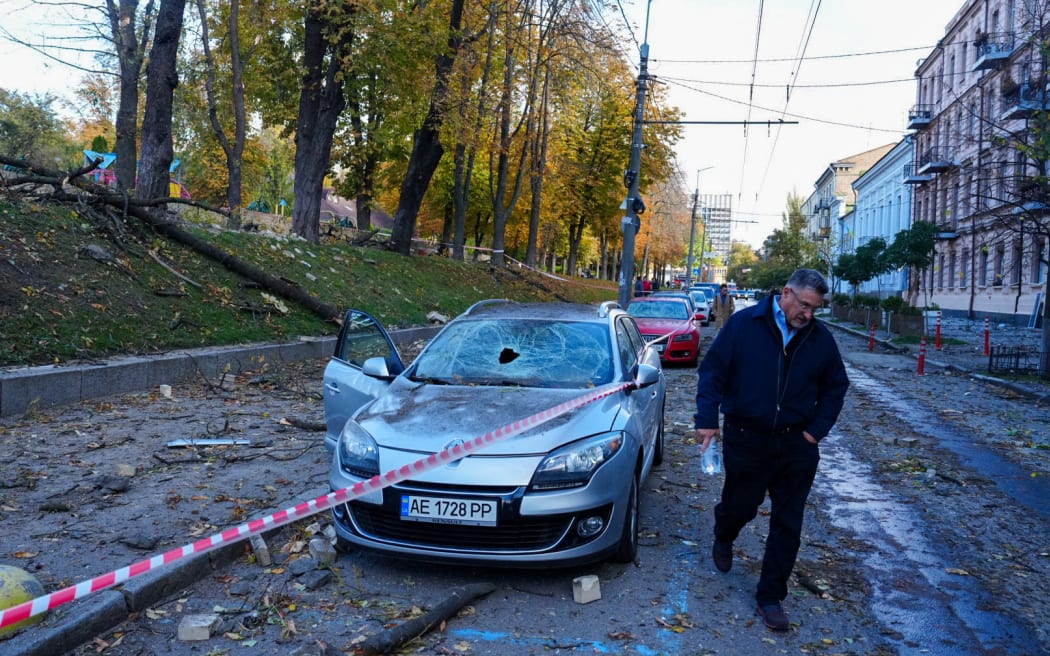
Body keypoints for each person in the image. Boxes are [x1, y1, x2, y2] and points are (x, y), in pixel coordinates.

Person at [693, 268, 849, 632]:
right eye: (805, 305)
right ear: (787, 294)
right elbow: (713, 372)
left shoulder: (820, 338)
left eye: (815, 309)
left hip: (797, 444)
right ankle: (724, 532)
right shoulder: (745, 325)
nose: (808, 315)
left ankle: (770, 596)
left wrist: (815, 433)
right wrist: (707, 420)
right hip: (747, 437)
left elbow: (836, 387)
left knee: (788, 522)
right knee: (741, 505)